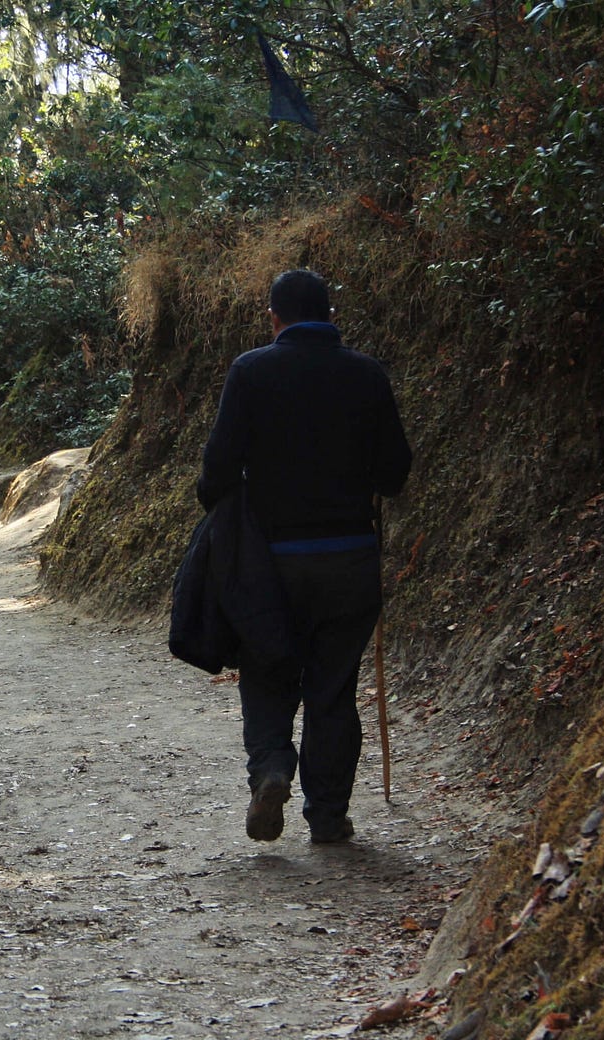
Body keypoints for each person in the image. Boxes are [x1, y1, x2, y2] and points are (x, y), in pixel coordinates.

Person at [196, 269, 412, 844]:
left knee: (267, 674)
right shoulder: (367, 375)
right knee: (333, 688)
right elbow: (394, 474)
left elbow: (217, 470)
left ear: (274, 318)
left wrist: (224, 511)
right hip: (349, 559)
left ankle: (270, 770)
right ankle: (329, 816)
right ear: (330, 313)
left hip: (270, 564)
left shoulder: (251, 371)